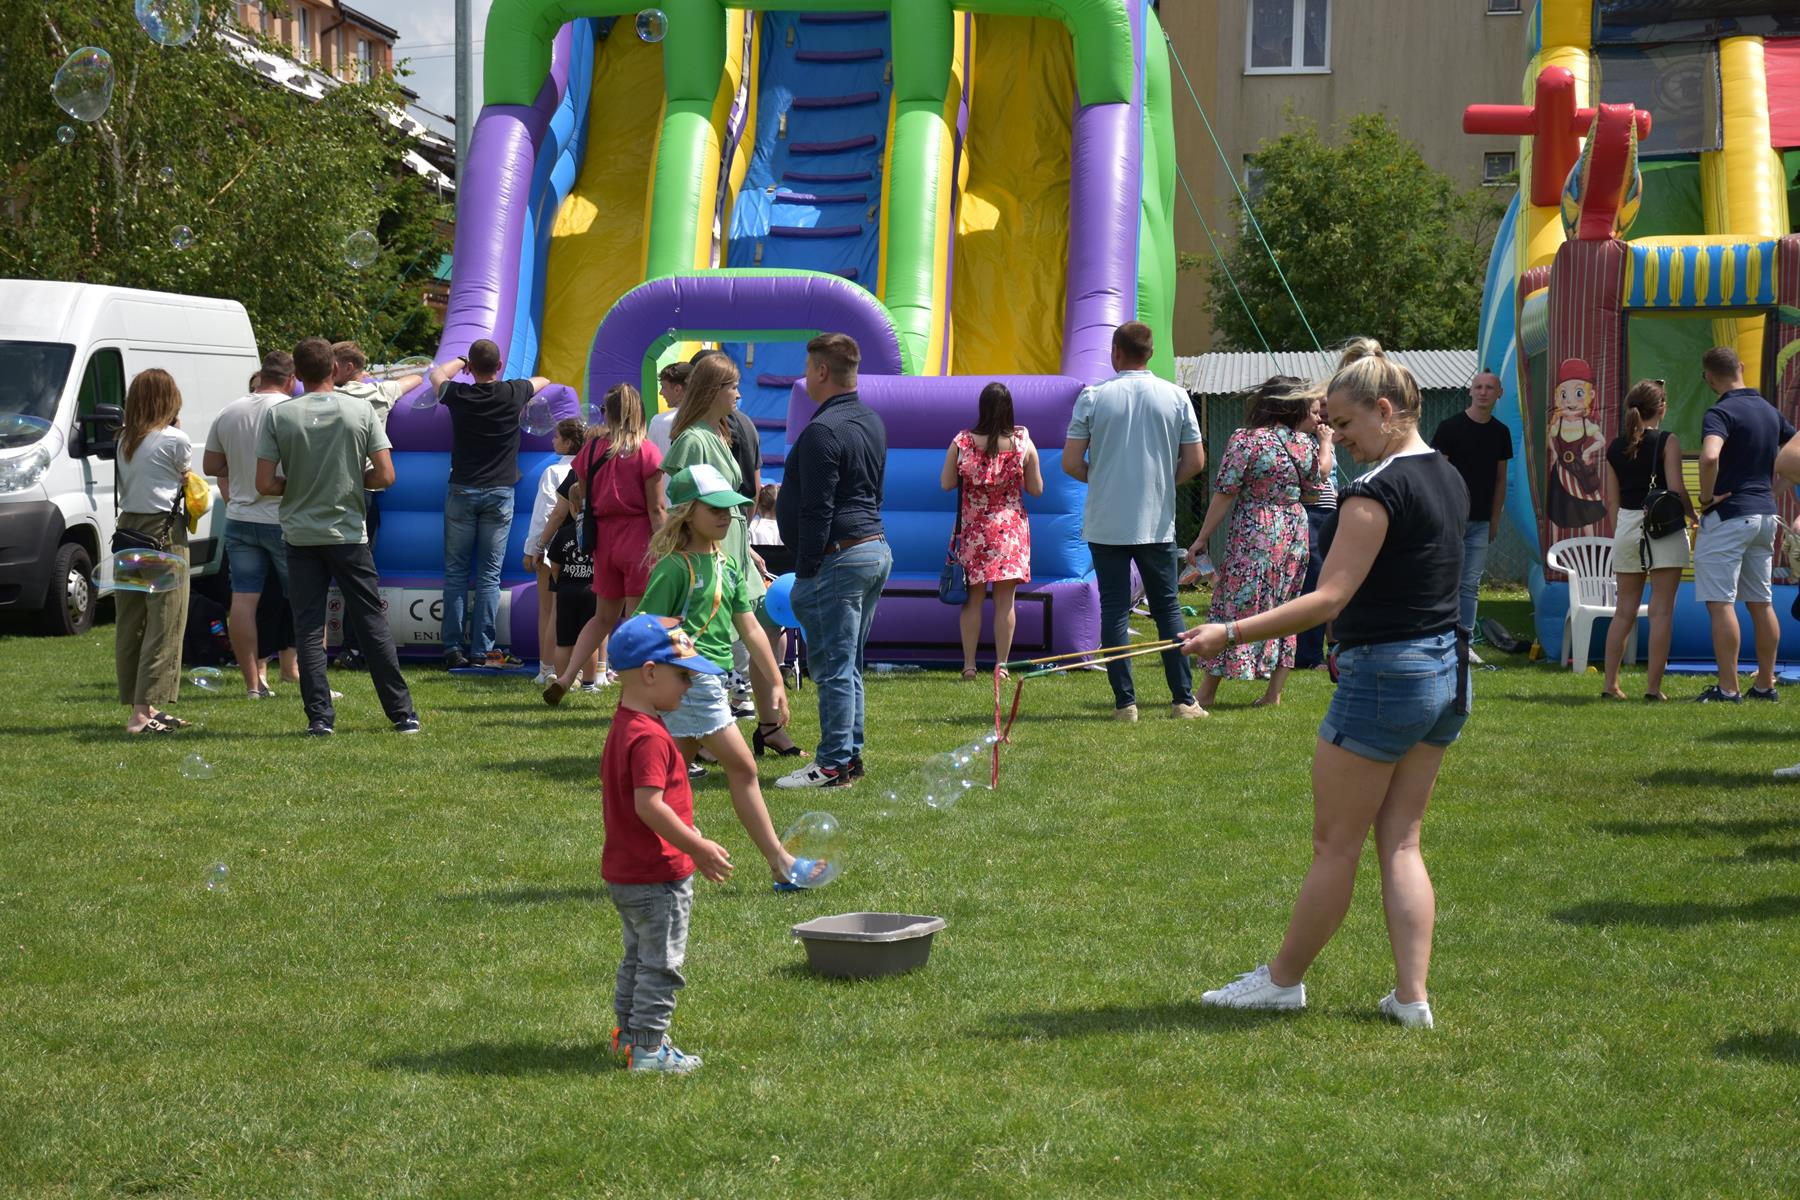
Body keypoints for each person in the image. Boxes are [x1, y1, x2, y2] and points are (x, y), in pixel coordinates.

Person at [1179, 343, 1469, 1031]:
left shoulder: (1373, 494)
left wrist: (1229, 631)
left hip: (1388, 677)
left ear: (1386, 411)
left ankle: (1282, 982)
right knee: (1402, 842)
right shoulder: (1447, 475)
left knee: (1335, 846)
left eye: (1343, 424)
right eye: (1330, 424)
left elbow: (1328, 598)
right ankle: (1412, 999)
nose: (1335, 438)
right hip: (1445, 674)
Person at [636, 465, 806, 886]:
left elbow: (751, 628)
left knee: (666, 779)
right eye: (714, 509)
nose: (725, 516)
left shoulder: (727, 565)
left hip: (708, 681)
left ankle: (638, 856)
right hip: (692, 683)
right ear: (686, 512)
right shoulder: (674, 568)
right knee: (744, 768)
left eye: (729, 509)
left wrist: (776, 681)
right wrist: (673, 668)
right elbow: (645, 626)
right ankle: (780, 862)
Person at [256, 337, 419, 736]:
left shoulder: (280, 415)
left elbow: (264, 483)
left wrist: (300, 484)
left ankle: (319, 718)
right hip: (348, 533)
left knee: (309, 628)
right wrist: (349, 481)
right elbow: (386, 475)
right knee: (371, 621)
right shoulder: (360, 409)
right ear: (334, 369)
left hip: (300, 536)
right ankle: (402, 714)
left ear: (297, 374)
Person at [601, 613, 735, 1073]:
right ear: (650, 673)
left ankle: (629, 1038)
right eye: (682, 675)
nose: (689, 684)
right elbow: (649, 806)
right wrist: (696, 847)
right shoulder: (651, 738)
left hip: (628, 872)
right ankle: (649, 1050)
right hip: (657, 876)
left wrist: (687, 835)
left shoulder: (626, 725)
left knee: (637, 960)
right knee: (661, 965)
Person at [1062, 321, 1206, 721]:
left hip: (1106, 522)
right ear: (1151, 353)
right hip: (1155, 522)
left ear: (1116, 352)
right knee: (1168, 609)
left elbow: (1071, 461)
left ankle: (1125, 704)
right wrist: (1163, 482)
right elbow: (1196, 461)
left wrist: (1102, 479)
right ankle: (1183, 700)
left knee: (1114, 610)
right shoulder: (1176, 396)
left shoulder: (1093, 396)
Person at [775, 333, 890, 788]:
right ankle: (849, 757)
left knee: (835, 668)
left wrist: (805, 572)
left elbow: (816, 508)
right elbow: (875, 492)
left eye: (808, 367)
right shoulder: (871, 421)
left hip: (839, 557)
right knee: (849, 663)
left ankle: (831, 764)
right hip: (871, 548)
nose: (806, 376)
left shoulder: (822, 430)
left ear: (822, 371)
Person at [1185, 376, 1322, 709]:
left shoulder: (1246, 439)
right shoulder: (1305, 444)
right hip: (1294, 529)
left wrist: (1202, 538)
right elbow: (1313, 491)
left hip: (1256, 529)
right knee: (1286, 606)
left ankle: (1206, 692)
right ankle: (1274, 694)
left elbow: (1225, 492)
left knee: (1234, 602)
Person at [545, 385, 665, 703]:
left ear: (607, 413)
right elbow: (656, 509)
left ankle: (566, 677)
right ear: (638, 411)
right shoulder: (647, 451)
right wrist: (668, 546)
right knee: (639, 620)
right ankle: (633, 689)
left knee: (601, 618)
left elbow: (582, 495)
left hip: (603, 541)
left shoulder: (592, 449)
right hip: (639, 540)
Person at [436, 338, 551, 669]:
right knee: (489, 575)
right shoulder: (512, 392)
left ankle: (453, 649)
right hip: (500, 491)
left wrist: (460, 363)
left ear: (471, 368)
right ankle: (481, 650)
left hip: (462, 489)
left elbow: (436, 375)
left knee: (456, 573)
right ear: (499, 366)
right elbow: (544, 380)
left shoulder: (459, 395)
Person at [1694, 345, 1793, 702]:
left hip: (1729, 516)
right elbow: (1794, 454)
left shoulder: (1720, 412)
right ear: (1741, 366)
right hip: (1765, 516)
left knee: (1721, 603)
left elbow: (1709, 457)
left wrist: (1706, 498)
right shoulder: (1769, 411)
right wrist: (1772, 489)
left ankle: (1728, 688)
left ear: (1709, 377)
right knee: (1761, 603)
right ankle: (1765, 685)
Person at [202, 350, 301, 697]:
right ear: (291, 379)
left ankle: (253, 685)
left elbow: (211, 465)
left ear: (262, 375)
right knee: (305, 599)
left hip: (240, 517)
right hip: (284, 518)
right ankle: (308, 677)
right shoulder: (292, 411)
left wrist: (242, 471)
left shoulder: (230, 411)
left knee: (243, 601)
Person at [329, 342, 426, 670]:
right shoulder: (379, 393)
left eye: (333, 364)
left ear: (345, 367)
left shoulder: (326, 396)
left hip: (327, 492)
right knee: (359, 573)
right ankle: (354, 647)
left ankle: (313, 650)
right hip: (364, 492)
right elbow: (416, 378)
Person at [1601, 380, 1697, 701]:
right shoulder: (1667, 441)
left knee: (1623, 610)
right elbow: (1677, 490)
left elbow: (1611, 502)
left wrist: (1622, 531)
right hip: (1663, 527)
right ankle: (1653, 688)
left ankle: (1610, 685)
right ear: (1661, 409)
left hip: (1627, 526)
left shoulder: (1614, 447)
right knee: (1661, 611)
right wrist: (1694, 515)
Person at [939, 382, 1043, 678]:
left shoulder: (962, 442)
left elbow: (946, 483)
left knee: (973, 601)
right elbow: (1036, 489)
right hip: (1009, 532)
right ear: (1009, 409)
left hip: (974, 530)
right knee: (1004, 603)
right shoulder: (1022, 442)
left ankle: (969, 665)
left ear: (982, 408)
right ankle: (1002, 665)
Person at [114, 368, 194, 735]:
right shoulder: (176, 439)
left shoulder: (123, 438)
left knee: (131, 622)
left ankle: (144, 706)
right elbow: (188, 486)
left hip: (128, 531)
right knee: (165, 621)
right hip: (163, 532)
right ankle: (140, 715)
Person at [1431, 368, 1513, 660]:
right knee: (1444, 581)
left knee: (1470, 585)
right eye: (1478, 387)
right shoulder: (1449, 427)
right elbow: (1436, 475)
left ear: (1499, 393)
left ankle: (1464, 644)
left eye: (1490, 388)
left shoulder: (1501, 433)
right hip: (1450, 519)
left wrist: (1495, 518)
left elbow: (1501, 480)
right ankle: (1439, 639)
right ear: (1470, 391)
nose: (1483, 392)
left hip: (1481, 521)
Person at [523, 417, 582, 685]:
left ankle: (546, 669)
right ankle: (589, 669)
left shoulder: (553, 472)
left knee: (548, 611)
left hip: (555, 549)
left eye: (556, 437)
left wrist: (534, 548)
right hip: (582, 550)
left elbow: (545, 513)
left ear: (568, 442)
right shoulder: (589, 467)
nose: (552, 440)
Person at [542, 475, 600, 692]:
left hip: (566, 591)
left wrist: (561, 582)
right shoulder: (599, 534)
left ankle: (563, 681)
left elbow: (554, 565)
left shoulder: (563, 534)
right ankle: (589, 684)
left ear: (572, 508)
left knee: (564, 641)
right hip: (592, 590)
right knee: (590, 640)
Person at [1294, 390, 1338, 670]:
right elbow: (1320, 473)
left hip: (1326, 514)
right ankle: (1307, 656)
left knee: (1325, 579)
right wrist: (1325, 443)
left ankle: (1322, 649)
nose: (1321, 416)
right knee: (1312, 582)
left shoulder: (1323, 438)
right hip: (1311, 513)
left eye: (1324, 409)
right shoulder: (1307, 440)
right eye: (1316, 409)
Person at [645, 360, 690, 455]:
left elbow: (650, 458)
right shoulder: (708, 419)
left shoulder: (658, 421)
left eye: (663, 387)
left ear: (677, 389)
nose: (660, 393)